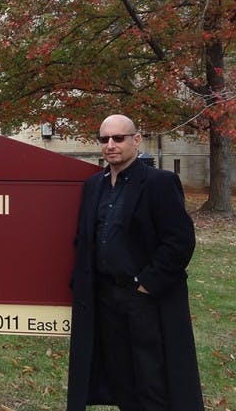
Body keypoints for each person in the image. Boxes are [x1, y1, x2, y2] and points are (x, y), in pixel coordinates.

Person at [66, 114, 203, 411]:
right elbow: (85, 238)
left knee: (151, 378)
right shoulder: (94, 186)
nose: (111, 146)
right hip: (105, 298)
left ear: (136, 140)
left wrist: (147, 284)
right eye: (104, 140)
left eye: (118, 138)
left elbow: (179, 241)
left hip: (143, 299)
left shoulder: (160, 183)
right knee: (120, 377)